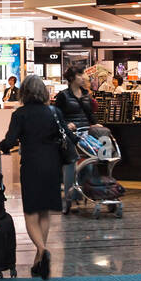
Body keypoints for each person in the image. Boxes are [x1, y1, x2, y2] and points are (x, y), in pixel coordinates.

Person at [0, 74, 61, 280]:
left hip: (31, 165)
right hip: (52, 165)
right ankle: (39, 260)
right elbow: (66, 135)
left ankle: (42, 249)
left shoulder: (20, 114)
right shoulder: (54, 112)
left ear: (24, 93)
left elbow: (10, 141)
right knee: (44, 212)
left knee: (30, 213)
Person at [54, 66, 95, 206]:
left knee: (88, 165)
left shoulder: (86, 94)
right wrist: (66, 125)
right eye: (80, 74)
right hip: (69, 136)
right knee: (71, 165)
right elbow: (57, 117)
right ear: (71, 78)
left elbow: (89, 115)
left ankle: (81, 194)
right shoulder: (63, 95)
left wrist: (95, 125)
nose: (83, 77)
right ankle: (70, 198)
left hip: (84, 134)